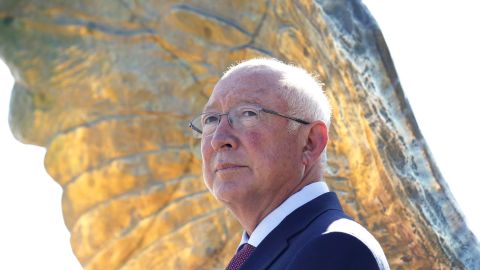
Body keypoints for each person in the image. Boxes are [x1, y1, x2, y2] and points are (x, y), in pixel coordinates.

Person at [189, 58, 390, 270]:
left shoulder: (334, 247)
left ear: (310, 143)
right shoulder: (258, 253)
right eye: (210, 119)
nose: (218, 139)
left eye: (248, 114)